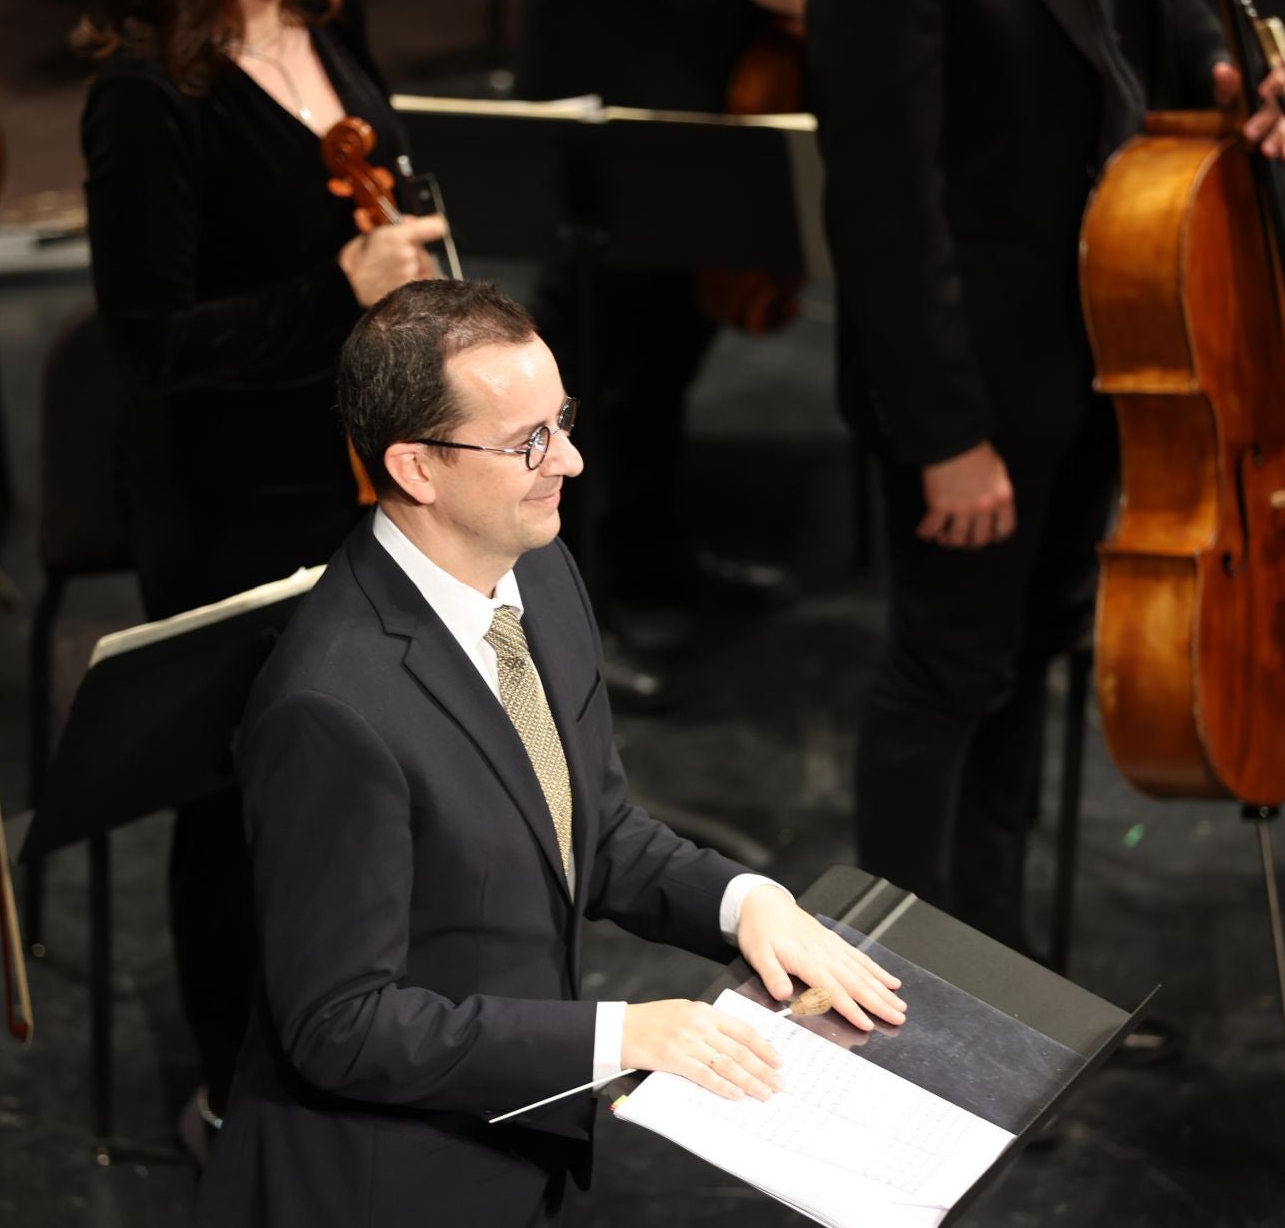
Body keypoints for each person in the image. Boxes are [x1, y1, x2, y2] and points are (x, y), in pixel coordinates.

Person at [199, 278, 907, 1225]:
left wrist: (748, 905)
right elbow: (342, 1026)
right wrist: (623, 1036)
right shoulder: (330, 708)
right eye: (526, 440)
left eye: (561, 419)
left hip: (514, 1137)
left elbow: (589, 828)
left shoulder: (540, 566)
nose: (568, 459)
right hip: (387, 1185)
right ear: (416, 468)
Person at [809, 0, 1285, 950]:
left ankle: (996, 971)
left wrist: (1221, 64)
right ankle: (895, 1005)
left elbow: (1171, 3)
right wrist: (947, 435)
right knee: (944, 672)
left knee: (1027, 661)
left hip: (1107, 349)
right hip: (970, 391)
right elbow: (883, 201)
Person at [76, 0, 446, 1148]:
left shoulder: (328, 21)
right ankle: (236, 1083)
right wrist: (338, 285)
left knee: (383, 773)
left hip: (367, 463)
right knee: (246, 792)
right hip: (234, 493)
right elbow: (150, 342)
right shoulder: (147, 92)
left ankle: (369, 1035)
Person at [518, 0, 808, 644]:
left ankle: (651, 556)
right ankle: (562, 611)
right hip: (615, 73)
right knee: (593, 352)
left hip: (717, 71)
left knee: (669, 343)